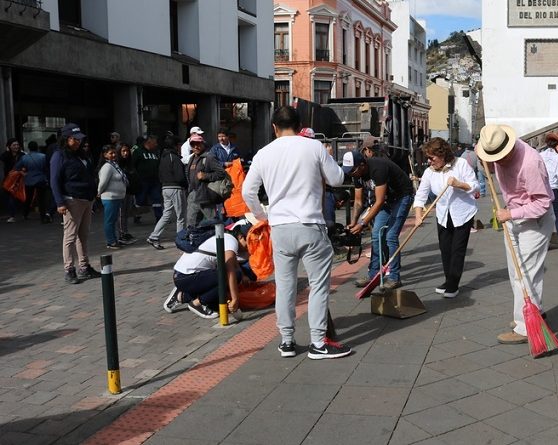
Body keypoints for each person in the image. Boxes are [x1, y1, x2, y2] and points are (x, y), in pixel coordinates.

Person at [242, 106, 350, 359]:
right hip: (310, 224)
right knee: (318, 286)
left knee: (285, 286)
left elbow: (248, 191)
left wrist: (262, 215)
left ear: (274, 127)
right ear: (300, 124)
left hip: (280, 228)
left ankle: (287, 341)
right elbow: (336, 179)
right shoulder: (313, 147)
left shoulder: (263, 153)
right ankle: (317, 342)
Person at [475, 124, 555, 345]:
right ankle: (530, 313)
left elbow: (543, 203)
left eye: (498, 156)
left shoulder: (530, 162)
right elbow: (489, 163)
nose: (495, 161)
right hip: (511, 215)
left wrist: (511, 213)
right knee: (515, 272)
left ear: (509, 148)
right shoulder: (493, 148)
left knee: (527, 274)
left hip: (534, 220)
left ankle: (524, 329)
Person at [413, 137, 478, 298]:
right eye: (428, 158)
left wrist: (458, 184)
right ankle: (448, 280)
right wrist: (418, 215)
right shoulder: (429, 172)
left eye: (431, 157)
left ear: (442, 155)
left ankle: (453, 284)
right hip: (443, 214)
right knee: (445, 249)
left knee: (457, 250)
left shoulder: (460, 164)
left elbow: (475, 185)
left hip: (462, 213)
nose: (429, 161)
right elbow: (421, 195)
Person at [345, 149, 415, 290]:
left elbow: (379, 201)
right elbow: (358, 201)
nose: (350, 174)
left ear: (362, 165)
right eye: (348, 171)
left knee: (390, 236)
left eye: (352, 171)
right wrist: (354, 222)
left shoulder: (378, 168)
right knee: (376, 235)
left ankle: (394, 277)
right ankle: (374, 274)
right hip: (386, 200)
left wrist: (363, 223)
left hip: (402, 197)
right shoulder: (356, 175)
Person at [50, 123, 102, 284]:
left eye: (79, 139)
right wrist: (60, 202)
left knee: (83, 236)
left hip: (87, 199)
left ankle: (84, 267)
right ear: (66, 139)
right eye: (75, 139)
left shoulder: (81, 155)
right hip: (72, 200)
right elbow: (54, 180)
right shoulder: (59, 156)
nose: (78, 142)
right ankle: (69, 269)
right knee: (70, 237)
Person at [167, 220, 250, 319]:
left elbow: (231, 261)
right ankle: (196, 304)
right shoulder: (231, 241)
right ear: (241, 237)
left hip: (180, 275)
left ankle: (182, 296)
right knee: (235, 276)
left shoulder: (225, 236)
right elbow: (230, 271)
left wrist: (243, 275)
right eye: (248, 243)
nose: (248, 248)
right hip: (188, 277)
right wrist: (235, 299)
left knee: (216, 303)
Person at [147, 135, 187, 250]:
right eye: (179, 145)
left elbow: (159, 173)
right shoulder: (174, 157)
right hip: (176, 188)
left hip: (165, 188)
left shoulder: (163, 157)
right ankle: (181, 240)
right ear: (175, 145)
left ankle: (154, 236)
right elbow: (180, 176)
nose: (180, 147)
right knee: (181, 216)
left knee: (167, 214)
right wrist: (185, 185)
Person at [186, 134, 225, 226]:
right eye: (193, 144)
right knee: (191, 224)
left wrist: (206, 176)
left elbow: (221, 173)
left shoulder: (209, 157)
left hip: (206, 196)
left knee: (213, 223)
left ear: (203, 144)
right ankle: (193, 239)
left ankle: (218, 239)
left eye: (198, 144)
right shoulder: (191, 158)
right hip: (193, 196)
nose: (196, 146)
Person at [96, 145, 128, 249]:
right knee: (109, 220)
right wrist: (99, 192)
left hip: (117, 197)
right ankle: (110, 241)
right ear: (105, 155)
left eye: (114, 153)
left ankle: (114, 239)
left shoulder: (114, 165)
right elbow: (103, 182)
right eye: (111, 153)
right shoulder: (107, 166)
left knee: (113, 220)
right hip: (110, 197)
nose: (114, 155)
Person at [14, 141, 51, 223]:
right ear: (37, 147)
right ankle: (43, 216)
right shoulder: (43, 156)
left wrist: (24, 173)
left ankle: (25, 213)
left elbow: (16, 167)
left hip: (29, 180)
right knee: (41, 199)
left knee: (28, 198)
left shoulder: (25, 157)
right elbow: (47, 167)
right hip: (41, 179)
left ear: (29, 148)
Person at [132, 134, 162, 223]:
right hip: (142, 180)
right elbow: (133, 165)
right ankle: (137, 216)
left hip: (155, 180)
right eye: (155, 142)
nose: (156, 144)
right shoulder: (138, 151)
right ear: (149, 142)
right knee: (140, 199)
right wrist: (136, 177)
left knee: (157, 199)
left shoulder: (155, 152)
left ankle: (159, 217)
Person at [117, 143, 138, 243]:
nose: (125, 153)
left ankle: (125, 231)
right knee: (121, 213)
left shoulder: (130, 163)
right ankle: (121, 233)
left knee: (126, 212)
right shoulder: (117, 164)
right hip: (121, 192)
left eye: (127, 151)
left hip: (130, 191)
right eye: (123, 151)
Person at [2, 138, 24, 222]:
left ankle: (13, 215)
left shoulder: (22, 155)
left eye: (17, 145)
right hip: (8, 179)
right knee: (8, 197)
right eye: (14, 145)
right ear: (9, 146)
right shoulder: (7, 155)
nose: (16, 146)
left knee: (13, 197)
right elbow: (2, 157)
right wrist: (7, 151)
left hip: (19, 180)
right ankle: (12, 214)